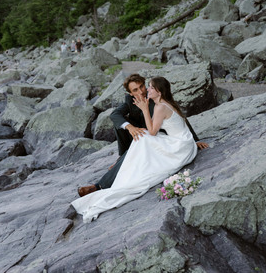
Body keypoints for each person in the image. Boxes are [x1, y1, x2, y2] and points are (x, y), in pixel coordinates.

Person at [72, 77, 202, 223]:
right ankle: (122, 159)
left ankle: (100, 185)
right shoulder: (130, 100)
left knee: (142, 139)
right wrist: (129, 127)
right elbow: (115, 115)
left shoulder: (157, 100)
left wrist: (195, 140)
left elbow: (179, 117)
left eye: (142, 87)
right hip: (142, 133)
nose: (141, 91)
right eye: (135, 90)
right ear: (130, 93)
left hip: (161, 135)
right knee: (124, 126)